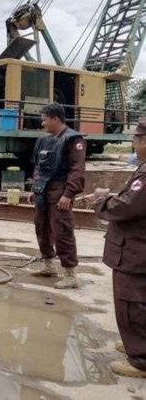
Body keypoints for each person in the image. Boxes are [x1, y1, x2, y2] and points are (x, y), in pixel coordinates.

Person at [92, 118, 146, 378]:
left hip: (135, 251)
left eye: (135, 139)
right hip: (138, 248)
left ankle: (141, 359)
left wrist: (101, 199)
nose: (133, 144)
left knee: (131, 302)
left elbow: (125, 207)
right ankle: (137, 342)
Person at [27, 102, 86, 289]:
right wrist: (34, 189)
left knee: (62, 231)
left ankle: (70, 274)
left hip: (60, 191)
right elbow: (38, 167)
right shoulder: (43, 141)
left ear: (55, 119)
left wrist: (68, 194)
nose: (42, 123)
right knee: (41, 227)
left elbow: (77, 170)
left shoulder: (73, 140)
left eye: (45, 120)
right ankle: (49, 265)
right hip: (42, 191)